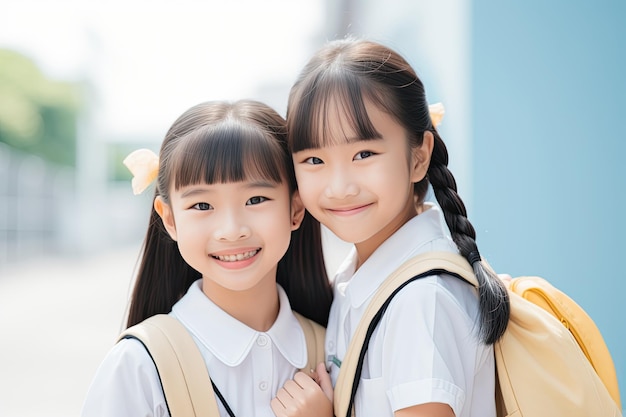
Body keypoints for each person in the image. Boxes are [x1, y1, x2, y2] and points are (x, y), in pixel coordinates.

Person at [273, 38, 511, 417]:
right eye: (314, 159)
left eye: (363, 154)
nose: (339, 187)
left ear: (419, 157)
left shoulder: (420, 301)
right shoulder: (362, 278)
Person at [81, 100, 334, 417]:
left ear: (295, 209)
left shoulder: (332, 347)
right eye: (202, 206)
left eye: (256, 199)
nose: (231, 231)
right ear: (169, 219)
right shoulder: (139, 365)